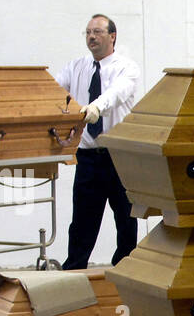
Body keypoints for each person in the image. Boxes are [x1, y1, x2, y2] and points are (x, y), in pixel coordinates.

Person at [53, 14, 141, 269]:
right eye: (88, 32)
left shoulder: (127, 68)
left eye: (98, 32)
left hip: (119, 156)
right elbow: (55, 88)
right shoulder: (76, 67)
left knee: (125, 216)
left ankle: (125, 266)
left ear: (112, 36)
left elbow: (115, 93)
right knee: (82, 218)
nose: (92, 37)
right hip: (88, 157)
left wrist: (96, 107)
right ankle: (75, 268)